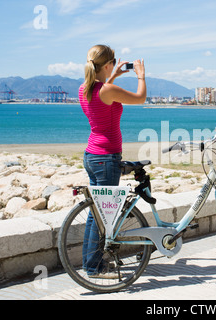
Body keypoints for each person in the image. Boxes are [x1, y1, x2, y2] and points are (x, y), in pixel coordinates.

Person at [79, 44, 146, 278]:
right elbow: (140, 98)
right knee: (104, 213)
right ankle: (93, 267)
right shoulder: (106, 90)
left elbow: (103, 92)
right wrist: (140, 75)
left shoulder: (84, 88)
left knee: (95, 213)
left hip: (92, 156)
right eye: (112, 63)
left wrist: (114, 74)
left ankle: (91, 264)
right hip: (106, 158)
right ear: (106, 65)